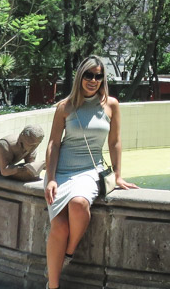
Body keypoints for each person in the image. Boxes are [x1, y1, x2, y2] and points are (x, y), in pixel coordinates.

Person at [44, 56, 137, 289]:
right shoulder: (64, 107)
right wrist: (51, 178)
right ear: (80, 76)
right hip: (63, 170)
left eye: (98, 76)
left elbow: (114, 142)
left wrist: (117, 175)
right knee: (60, 226)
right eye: (89, 75)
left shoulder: (111, 105)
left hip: (89, 170)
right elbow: (54, 144)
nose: (93, 80)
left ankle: (69, 251)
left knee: (78, 203)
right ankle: (52, 286)